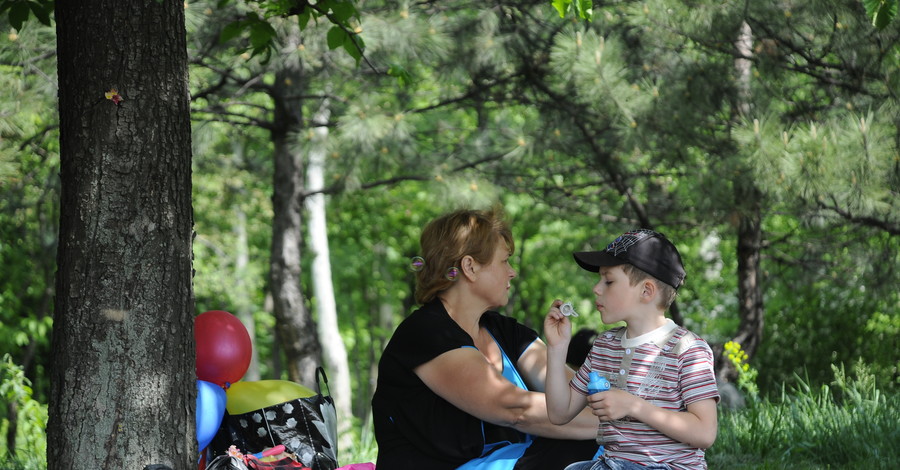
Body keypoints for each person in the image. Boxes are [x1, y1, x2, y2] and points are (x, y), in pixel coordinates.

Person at [371, 208, 599, 470]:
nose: (512, 272)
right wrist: (622, 424)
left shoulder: (503, 330)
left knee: (601, 445)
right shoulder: (426, 333)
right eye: (504, 261)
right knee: (591, 446)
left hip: (509, 461)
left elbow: (577, 395)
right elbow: (515, 410)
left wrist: (637, 409)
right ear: (469, 267)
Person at [543, 229, 720, 470]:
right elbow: (559, 413)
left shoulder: (687, 350)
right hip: (613, 464)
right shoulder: (605, 346)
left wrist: (633, 406)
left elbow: (705, 432)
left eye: (608, 281)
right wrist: (556, 347)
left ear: (646, 291)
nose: (596, 288)